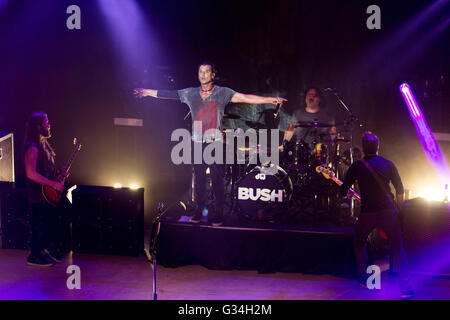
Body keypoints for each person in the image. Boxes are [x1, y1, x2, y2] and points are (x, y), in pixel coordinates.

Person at [134, 62, 286, 226]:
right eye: (201, 71)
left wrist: (270, 100)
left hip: (216, 143)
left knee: (217, 181)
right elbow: (168, 94)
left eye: (207, 71)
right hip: (197, 143)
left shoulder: (223, 93)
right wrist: (147, 92)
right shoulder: (189, 93)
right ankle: (198, 212)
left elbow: (245, 97)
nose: (203, 74)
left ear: (213, 74)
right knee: (199, 180)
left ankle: (218, 214)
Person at [339, 132, 414, 299]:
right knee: (397, 247)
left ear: (363, 148)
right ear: (378, 147)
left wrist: (347, 193)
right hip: (388, 211)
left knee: (359, 242)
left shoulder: (357, 166)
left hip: (368, 213)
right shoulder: (388, 164)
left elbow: (343, 191)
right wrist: (399, 212)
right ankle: (406, 288)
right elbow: (400, 189)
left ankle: (366, 279)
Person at [24, 112, 65, 267]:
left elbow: (44, 171)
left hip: (45, 194)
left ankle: (44, 251)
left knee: (49, 223)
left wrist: (58, 175)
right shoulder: (33, 148)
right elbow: (30, 173)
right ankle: (35, 256)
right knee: (39, 226)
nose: (49, 125)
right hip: (37, 195)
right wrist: (53, 184)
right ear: (38, 127)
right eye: (46, 123)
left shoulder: (43, 145)